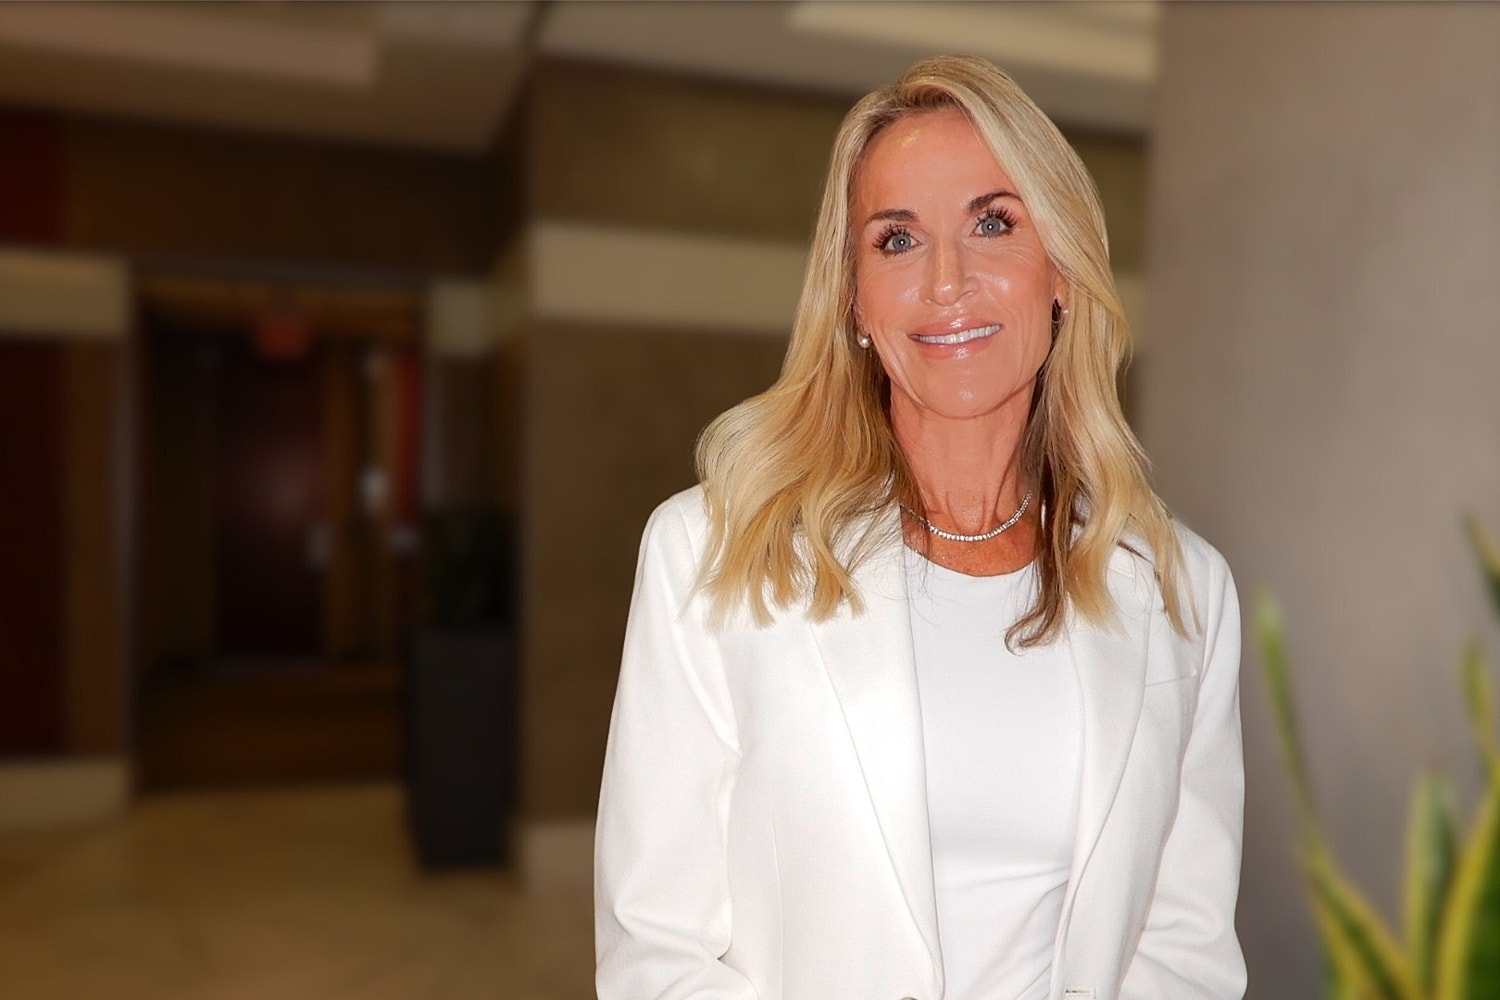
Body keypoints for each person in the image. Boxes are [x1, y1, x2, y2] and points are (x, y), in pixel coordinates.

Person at [595, 55, 1244, 1000]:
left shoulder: (1185, 591)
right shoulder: (709, 554)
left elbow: (1183, 950)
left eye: (993, 224)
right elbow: (656, 948)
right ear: (854, 300)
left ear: (1060, 272)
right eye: (897, 241)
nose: (948, 283)